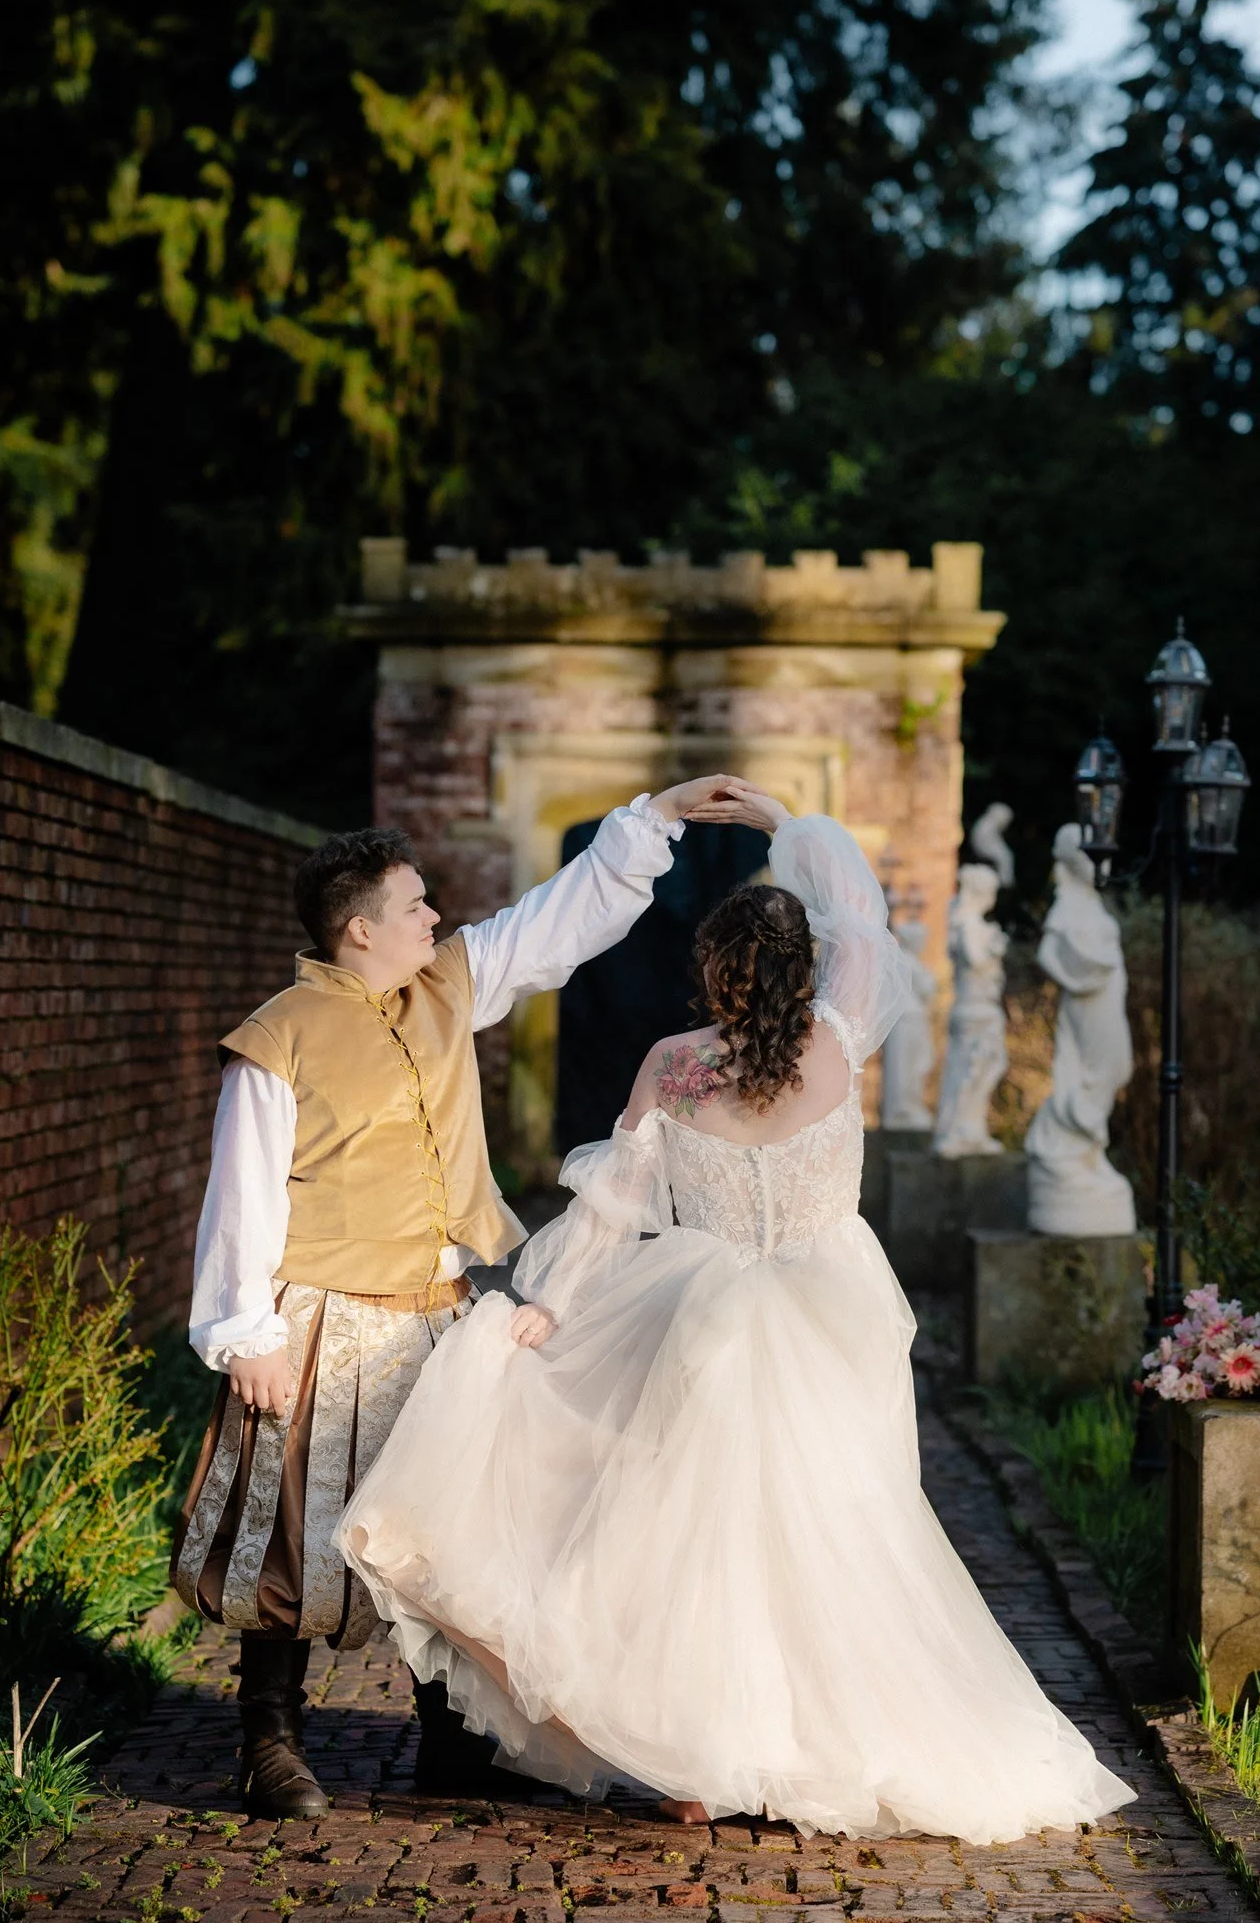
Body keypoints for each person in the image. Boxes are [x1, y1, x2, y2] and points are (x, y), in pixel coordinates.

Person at [334, 783, 1137, 1842]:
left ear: (714, 972)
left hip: (699, 1320)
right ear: (805, 972)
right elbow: (866, 921)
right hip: (829, 1319)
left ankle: (687, 1756)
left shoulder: (675, 1067)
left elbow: (611, 1210)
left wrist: (542, 1307)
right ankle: (799, 1738)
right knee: (828, 1533)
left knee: (682, 1542)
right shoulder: (840, 1049)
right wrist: (782, 821)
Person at [172, 774, 744, 1820]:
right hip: (319, 1316)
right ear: (359, 928)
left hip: (435, 1304)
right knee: (296, 1527)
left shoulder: (445, 986)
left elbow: (554, 921)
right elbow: (240, 1189)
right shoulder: (279, 1035)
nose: (437, 917)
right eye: (415, 905)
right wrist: (241, 1329)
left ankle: (455, 1737)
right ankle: (269, 1741)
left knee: (455, 1523)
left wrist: (654, 817)